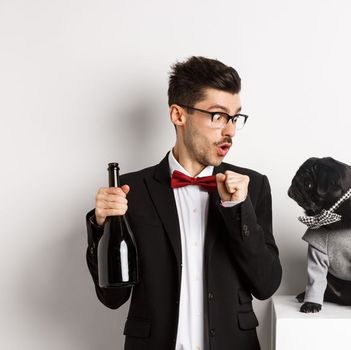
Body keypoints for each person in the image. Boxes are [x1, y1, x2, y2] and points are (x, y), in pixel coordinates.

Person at [84, 56, 282, 350]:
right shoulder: (131, 190)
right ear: (178, 115)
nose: (230, 130)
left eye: (235, 117)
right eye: (217, 116)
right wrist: (100, 227)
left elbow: (265, 285)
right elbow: (112, 298)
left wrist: (237, 210)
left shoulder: (253, 187)